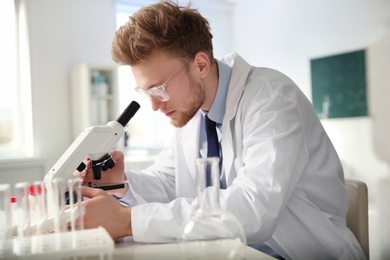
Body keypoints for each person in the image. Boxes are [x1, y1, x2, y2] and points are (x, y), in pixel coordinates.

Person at [77, 1, 365, 259]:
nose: (154, 105)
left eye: (160, 88)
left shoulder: (272, 99)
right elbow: (169, 181)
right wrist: (122, 181)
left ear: (201, 64)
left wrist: (128, 220)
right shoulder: (193, 112)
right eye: (145, 91)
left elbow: (255, 208)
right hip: (228, 249)